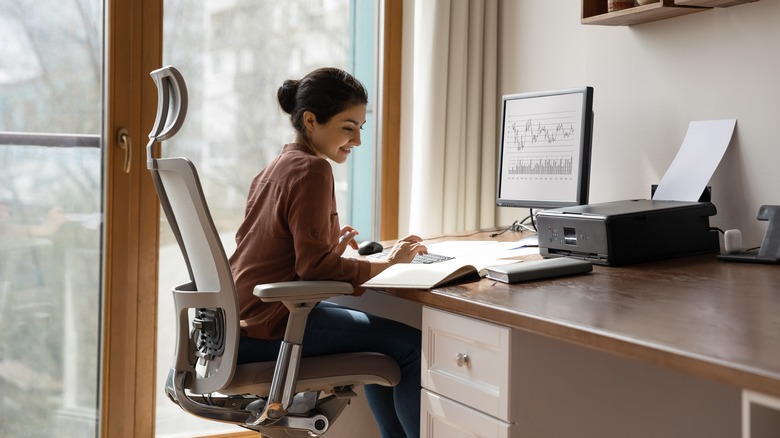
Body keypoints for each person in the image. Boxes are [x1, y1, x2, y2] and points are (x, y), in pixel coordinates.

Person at [229, 67, 425, 438]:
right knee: (411, 348)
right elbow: (315, 266)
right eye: (348, 128)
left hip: (240, 322)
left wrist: (330, 251)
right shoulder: (314, 169)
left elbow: (283, 255)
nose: (357, 141)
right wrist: (386, 261)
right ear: (311, 120)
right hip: (271, 325)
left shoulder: (276, 167)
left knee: (387, 353)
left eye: (361, 128)